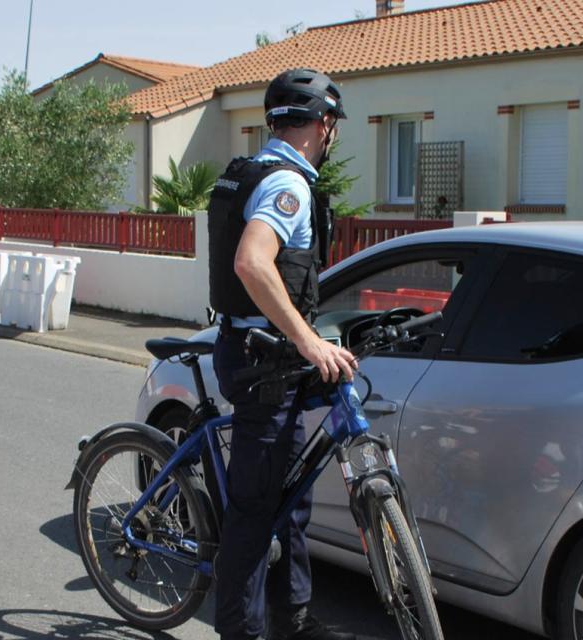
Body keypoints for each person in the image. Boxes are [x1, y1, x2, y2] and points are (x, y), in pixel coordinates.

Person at [206, 68, 358, 640]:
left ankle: (292, 615)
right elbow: (252, 262)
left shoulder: (252, 170)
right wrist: (307, 338)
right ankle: (240, 632)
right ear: (323, 124)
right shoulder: (288, 186)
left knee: (290, 496)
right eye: (332, 124)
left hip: (262, 353)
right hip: (261, 360)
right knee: (254, 513)